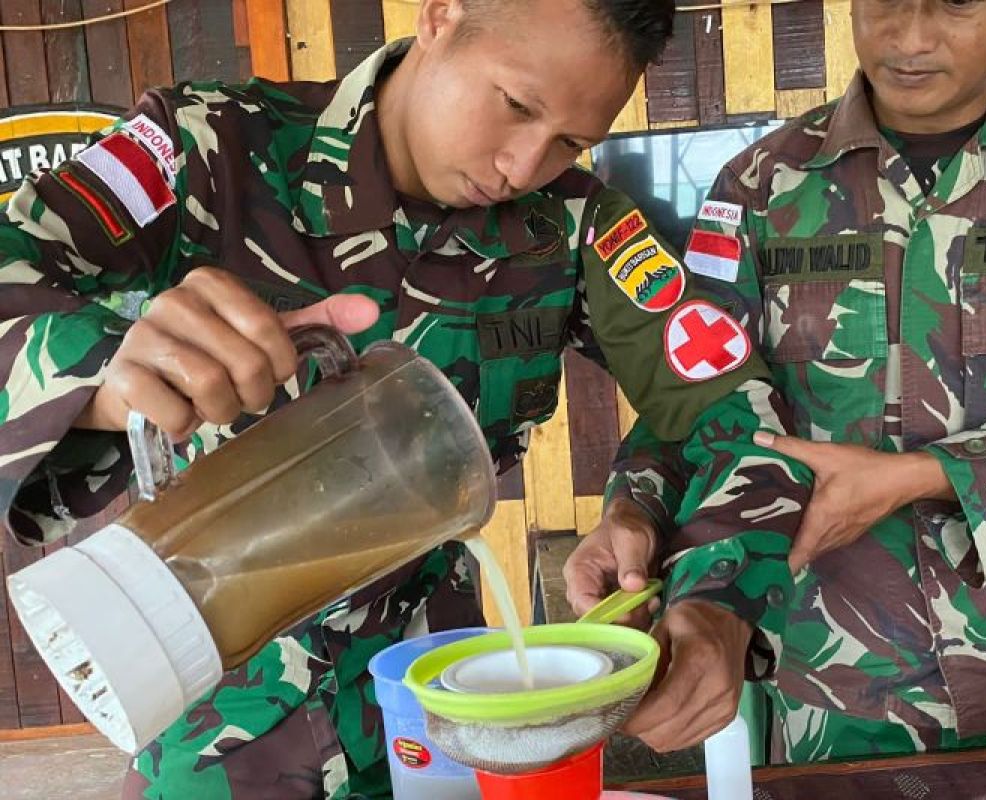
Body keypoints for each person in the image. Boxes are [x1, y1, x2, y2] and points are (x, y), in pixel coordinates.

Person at [0, 0, 810, 796]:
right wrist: (105, 369)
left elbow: (728, 410)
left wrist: (708, 584)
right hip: (221, 713)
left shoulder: (576, 224)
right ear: (440, 16)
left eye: (571, 140)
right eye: (516, 106)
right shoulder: (207, 146)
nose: (523, 168)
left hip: (444, 704)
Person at [567, 0, 986, 761]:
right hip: (834, 687)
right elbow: (697, 400)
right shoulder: (761, 185)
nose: (911, 34)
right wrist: (636, 511)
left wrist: (918, 477)